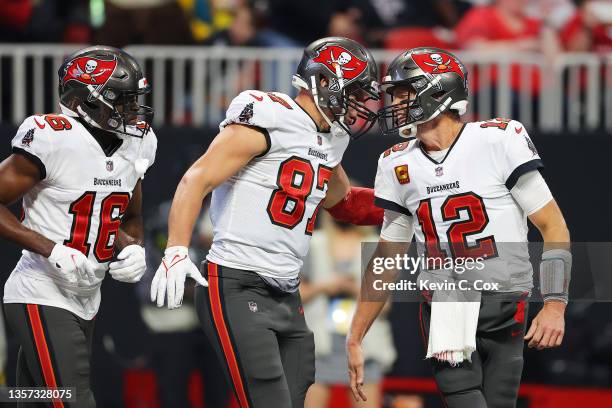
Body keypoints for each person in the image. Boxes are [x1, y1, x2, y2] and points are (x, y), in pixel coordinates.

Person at [150, 36, 383, 408]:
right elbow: (198, 178)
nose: (360, 103)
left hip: (287, 291)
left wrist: (412, 205)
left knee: (298, 383)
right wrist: (177, 249)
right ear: (324, 82)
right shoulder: (268, 114)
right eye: (354, 91)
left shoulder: (331, 138)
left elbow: (345, 205)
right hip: (238, 281)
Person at [347, 47, 571, 408]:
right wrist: (356, 334)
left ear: (437, 91)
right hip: (444, 304)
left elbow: (553, 226)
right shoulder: (395, 163)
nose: (395, 101)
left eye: (404, 91)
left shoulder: (498, 139)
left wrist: (555, 305)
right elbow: (386, 257)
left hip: (504, 301)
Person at [0, 45, 157, 406]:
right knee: (74, 397)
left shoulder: (139, 143)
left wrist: (133, 246)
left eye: (135, 100)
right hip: (41, 289)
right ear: (84, 100)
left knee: (35, 398)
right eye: (122, 100)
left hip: (87, 295)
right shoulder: (53, 138)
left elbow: (128, 216)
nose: (132, 111)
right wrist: (50, 248)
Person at [301, 213, 395, 408]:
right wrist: (325, 287)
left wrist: (355, 289)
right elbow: (298, 295)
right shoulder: (315, 243)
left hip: (364, 348)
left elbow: (385, 304)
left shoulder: (375, 245)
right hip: (320, 348)